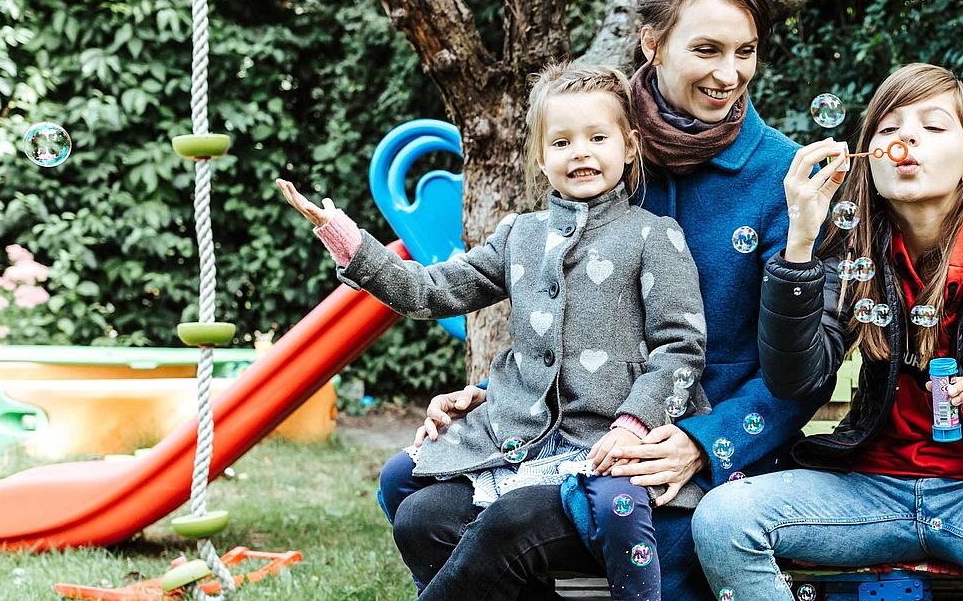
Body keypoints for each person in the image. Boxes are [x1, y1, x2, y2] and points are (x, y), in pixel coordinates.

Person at [385, 0, 826, 598]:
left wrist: (701, 443)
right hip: (577, 438)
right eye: (706, 50)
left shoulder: (787, 179)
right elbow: (577, 309)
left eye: (745, 51)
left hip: (706, 462)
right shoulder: (597, 144)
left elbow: (809, 366)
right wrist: (495, 397)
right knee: (415, 501)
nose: (729, 75)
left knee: (510, 527)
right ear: (651, 42)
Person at [285, 64, 707, 601]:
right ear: (540, 158)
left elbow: (681, 347)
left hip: (607, 442)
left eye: (597, 138)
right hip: (519, 438)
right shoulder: (520, 236)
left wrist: (634, 422)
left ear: (629, 147)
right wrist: (347, 241)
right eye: (562, 141)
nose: (580, 152)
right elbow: (431, 290)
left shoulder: (653, 236)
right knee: (408, 499)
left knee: (613, 511)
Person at [692, 63, 963, 600]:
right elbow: (795, 380)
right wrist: (800, 242)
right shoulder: (852, 248)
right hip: (869, 487)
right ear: (867, 158)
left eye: (934, 126)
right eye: (888, 128)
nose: (906, 139)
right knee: (723, 519)